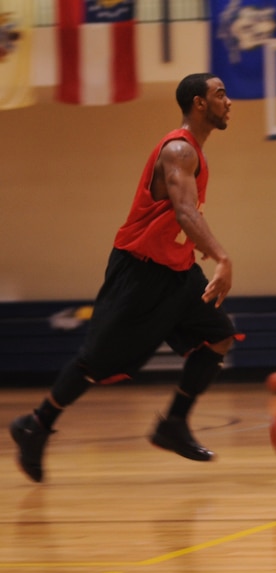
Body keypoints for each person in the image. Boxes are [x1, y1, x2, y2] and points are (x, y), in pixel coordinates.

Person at [9, 73, 238, 483]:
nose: (229, 101)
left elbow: (184, 216)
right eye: (221, 94)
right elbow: (185, 211)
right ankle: (36, 425)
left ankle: (172, 424)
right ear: (199, 104)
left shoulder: (194, 154)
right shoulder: (180, 150)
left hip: (177, 270)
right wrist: (222, 257)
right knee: (96, 362)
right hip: (140, 271)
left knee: (218, 334)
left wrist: (199, 249)